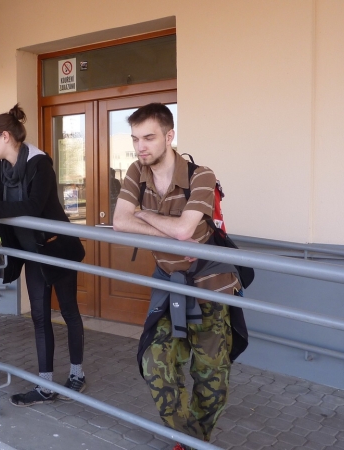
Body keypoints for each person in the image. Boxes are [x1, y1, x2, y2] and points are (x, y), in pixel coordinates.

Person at [112, 103, 240, 450]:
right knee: (155, 365)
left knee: (211, 381)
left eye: (149, 138)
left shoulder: (201, 175)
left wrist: (143, 213)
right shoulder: (136, 171)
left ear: (169, 136)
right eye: (135, 138)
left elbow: (185, 230)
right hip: (170, 285)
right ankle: (191, 440)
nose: (140, 147)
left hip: (211, 288)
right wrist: (163, 226)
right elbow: (120, 221)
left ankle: (193, 441)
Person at [0, 104, 86, 407]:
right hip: (30, 251)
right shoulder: (0, 166)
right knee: (40, 317)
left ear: (5, 137)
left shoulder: (40, 164)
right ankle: (45, 386)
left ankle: (77, 375)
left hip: (57, 248)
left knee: (69, 312)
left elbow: (33, 206)